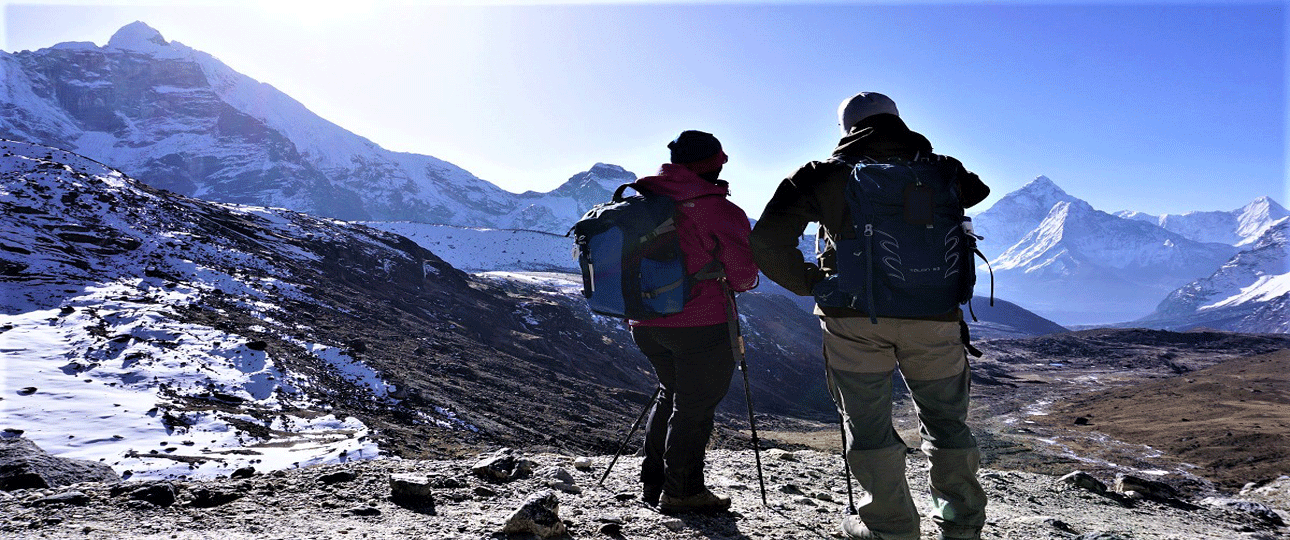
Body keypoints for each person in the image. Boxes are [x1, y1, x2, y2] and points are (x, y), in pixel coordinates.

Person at [749, 92, 989, 540]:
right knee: (946, 423)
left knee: (868, 423)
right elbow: (978, 191)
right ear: (896, 120)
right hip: (935, 316)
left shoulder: (821, 176)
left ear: (846, 128)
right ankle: (961, 525)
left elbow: (765, 240)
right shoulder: (945, 170)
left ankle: (890, 527)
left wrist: (813, 284)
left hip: (854, 318)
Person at [630, 130, 759, 513]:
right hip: (701, 324)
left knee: (671, 394)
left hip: (645, 322)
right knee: (694, 407)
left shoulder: (646, 201)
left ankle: (654, 485)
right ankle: (683, 492)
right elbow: (743, 276)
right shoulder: (717, 209)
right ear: (713, 164)